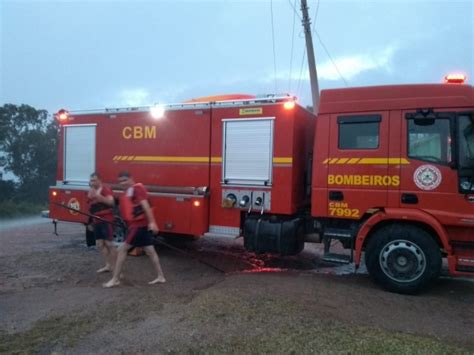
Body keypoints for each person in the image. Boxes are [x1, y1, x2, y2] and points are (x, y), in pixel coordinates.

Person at [103, 171, 166, 287]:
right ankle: (161, 276)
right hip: (136, 225)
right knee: (150, 251)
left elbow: (146, 206)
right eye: (120, 181)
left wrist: (152, 222)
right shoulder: (129, 191)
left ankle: (115, 279)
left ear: (131, 178)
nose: (122, 183)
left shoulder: (137, 189)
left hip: (139, 226)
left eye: (124, 180)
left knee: (121, 249)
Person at [88, 172, 117, 273]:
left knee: (109, 244)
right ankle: (108, 265)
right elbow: (91, 207)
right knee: (99, 244)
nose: (92, 182)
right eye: (91, 180)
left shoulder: (105, 189)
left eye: (94, 180)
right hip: (96, 221)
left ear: (100, 180)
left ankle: (116, 267)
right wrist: (90, 222)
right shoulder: (91, 191)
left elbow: (111, 202)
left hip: (106, 220)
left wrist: (100, 197)